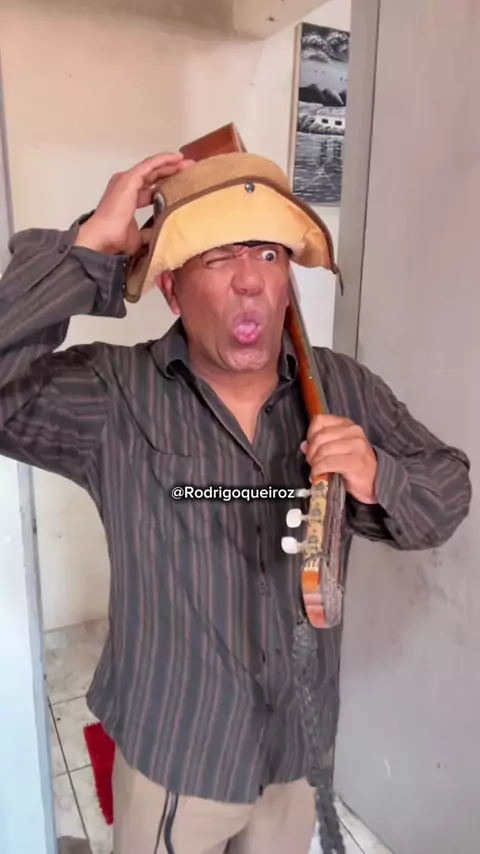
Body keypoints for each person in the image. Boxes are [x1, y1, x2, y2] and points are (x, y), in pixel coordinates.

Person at [0, 149, 471, 854]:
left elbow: (449, 486)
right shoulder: (111, 393)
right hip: (178, 755)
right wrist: (88, 248)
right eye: (219, 257)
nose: (250, 279)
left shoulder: (342, 388)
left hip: (296, 748)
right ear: (171, 289)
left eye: (268, 253)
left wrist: (379, 479)